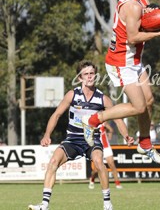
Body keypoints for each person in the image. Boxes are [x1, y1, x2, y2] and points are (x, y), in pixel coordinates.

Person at [81, 0, 160, 164]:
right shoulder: (131, 6)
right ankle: (93, 120)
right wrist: (156, 33)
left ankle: (145, 144)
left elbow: (156, 19)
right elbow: (133, 37)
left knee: (149, 101)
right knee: (138, 106)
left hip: (134, 61)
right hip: (120, 61)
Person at [28, 61, 134, 210]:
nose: (89, 77)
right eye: (86, 74)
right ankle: (44, 205)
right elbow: (57, 114)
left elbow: (117, 118)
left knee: (99, 162)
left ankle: (108, 205)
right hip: (72, 139)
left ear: (95, 76)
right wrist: (47, 134)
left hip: (92, 140)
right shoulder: (72, 94)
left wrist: (126, 136)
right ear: (79, 78)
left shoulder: (103, 99)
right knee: (53, 161)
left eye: (92, 74)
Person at [89, 122, 123, 190]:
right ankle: (92, 179)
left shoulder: (103, 122)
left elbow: (111, 130)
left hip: (106, 147)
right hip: (97, 147)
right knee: (96, 169)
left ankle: (117, 183)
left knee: (112, 165)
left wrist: (109, 135)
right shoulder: (92, 123)